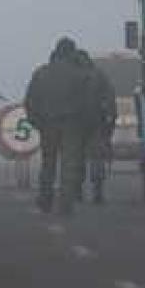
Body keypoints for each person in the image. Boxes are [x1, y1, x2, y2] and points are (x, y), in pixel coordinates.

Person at [24, 37, 89, 215]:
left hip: (47, 124)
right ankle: (66, 204)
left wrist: (37, 122)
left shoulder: (41, 73)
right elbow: (87, 104)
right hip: (72, 124)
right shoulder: (80, 75)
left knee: (48, 163)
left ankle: (45, 200)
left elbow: (30, 101)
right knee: (69, 165)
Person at [76, 49, 117, 205]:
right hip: (97, 124)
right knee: (97, 159)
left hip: (75, 125)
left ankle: (77, 191)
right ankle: (97, 191)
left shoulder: (72, 77)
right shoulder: (99, 76)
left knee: (76, 158)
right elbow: (110, 101)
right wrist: (109, 126)